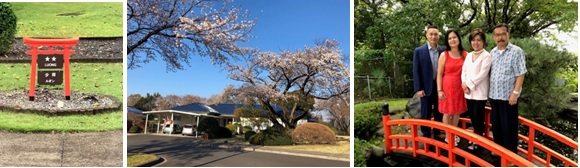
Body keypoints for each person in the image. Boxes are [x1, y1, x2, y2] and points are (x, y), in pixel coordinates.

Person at [489, 23, 526, 154]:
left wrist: (515, 93)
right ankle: (498, 149)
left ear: (508, 34)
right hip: (494, 95)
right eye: (497, 35)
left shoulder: (516, 51)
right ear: (494, 37)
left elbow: (521, 74)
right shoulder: (492, 52)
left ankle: (510, 155)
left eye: (503, 34)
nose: (500, 37)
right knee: (496, 124)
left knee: (509, 127)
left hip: (508, 97)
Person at [461, 28, 492, 150]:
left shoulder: (487, 56)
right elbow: (464, 70)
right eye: (473, 40)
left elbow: (482, 74)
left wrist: (468, 84)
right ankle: (476, 137)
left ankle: (479, 141)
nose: (476, 43)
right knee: (472, 117)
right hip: (468, 92)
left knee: (479, 117)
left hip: (480, 92)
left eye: (479, 40)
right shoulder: (468, 55)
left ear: (483, 42)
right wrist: (464, 84)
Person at [413, 25, 445, 141]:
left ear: (438, 36)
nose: (433, 36)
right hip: (425, 88)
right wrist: (418, 88)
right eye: (431, 34)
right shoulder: (419, 51)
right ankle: (426, 133)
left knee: (438, 111)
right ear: (426, 35)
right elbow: (416, 70)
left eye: (435, 34)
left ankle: (437, 131)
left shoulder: (443, 50)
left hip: (439, 87)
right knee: (425, 111)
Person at [436, 29, 467, 146]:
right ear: (447, 41)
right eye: (449, 38)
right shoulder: (444, 55)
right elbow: (439, 74)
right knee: (447, 112)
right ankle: (448, 135)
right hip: (447, 87)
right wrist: (439, 90)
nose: (452, 40)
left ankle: (454, 133)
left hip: (460, 87)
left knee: (457, 111)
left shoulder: (465, 54)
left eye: (454, 37)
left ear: (458, 39)